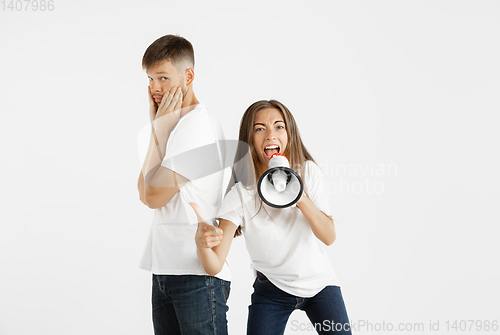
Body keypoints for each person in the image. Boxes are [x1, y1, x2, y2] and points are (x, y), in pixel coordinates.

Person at [192, 100, 352, 335]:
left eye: (279, 126)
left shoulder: (308, 172)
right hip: (272, 290)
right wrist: (202, 244)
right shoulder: (241, 194)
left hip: (320, 284)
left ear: (289, 133)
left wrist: (299, 196)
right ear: (249, 139)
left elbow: (329, 237)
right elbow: (214, 265)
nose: (270, 135)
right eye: (259, 128)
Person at [137, 34, 231, 335]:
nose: (155, 88)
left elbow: (153, 196)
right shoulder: (171, 125)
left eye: (163, 77)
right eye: (150, 79)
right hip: (166, 270)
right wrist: (158, 131)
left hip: (196, 276)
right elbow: (144, 191)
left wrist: (160, 131)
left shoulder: (197, 127)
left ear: (188, 76)